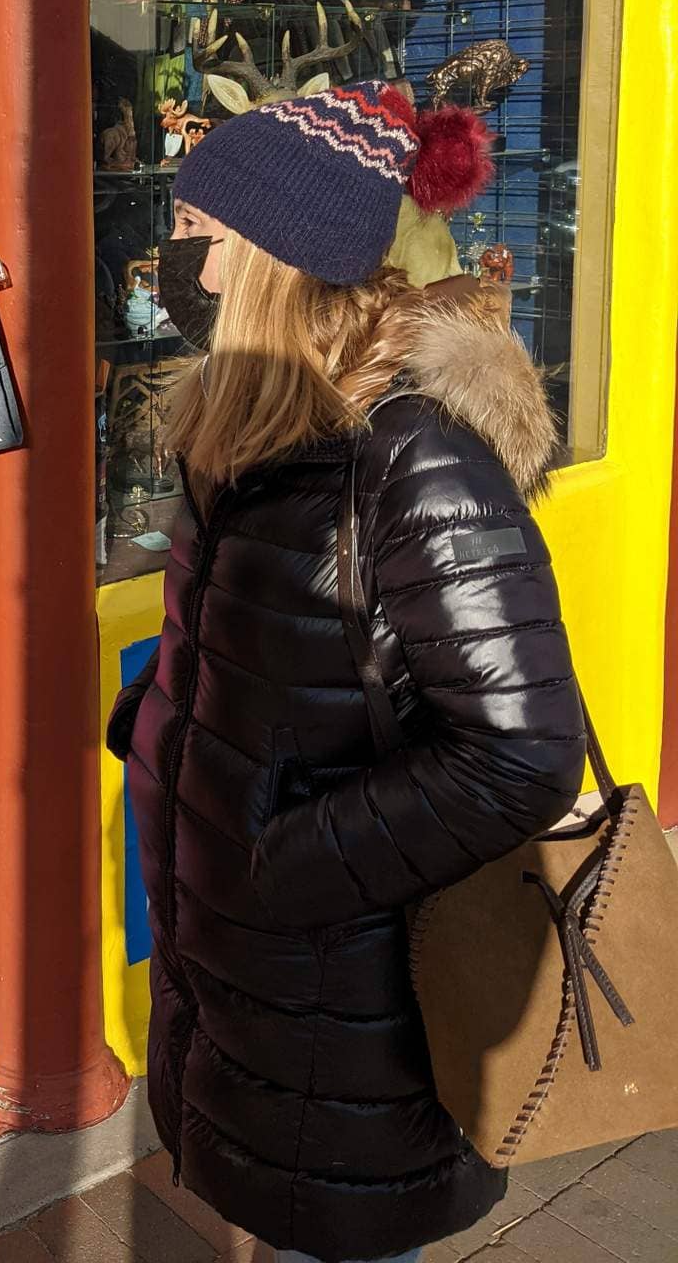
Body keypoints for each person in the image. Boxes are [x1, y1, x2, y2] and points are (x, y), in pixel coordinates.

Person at [110, 80, 586, 1263]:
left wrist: (279, 857)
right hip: (258, 979)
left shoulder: (414, 455)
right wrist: (170, 726)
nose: (192, 271)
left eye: (209, 240)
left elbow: (519, 753)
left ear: (277, 257)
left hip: (358, 1000)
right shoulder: (255, 427)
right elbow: (266, 651)